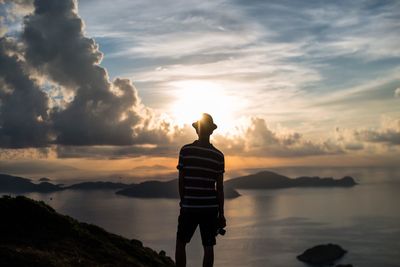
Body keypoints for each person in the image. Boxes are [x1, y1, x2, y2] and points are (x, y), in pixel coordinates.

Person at [175, 113, 226, 267]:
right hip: (210, 208)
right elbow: (220, 188)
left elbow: (181, 181)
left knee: (181, 243)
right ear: (211, 131)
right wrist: (221, 214)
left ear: (197, 130)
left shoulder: (185, 151)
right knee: (208, 246)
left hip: (189, 206)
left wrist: (184, 201)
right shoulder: (218, 156)